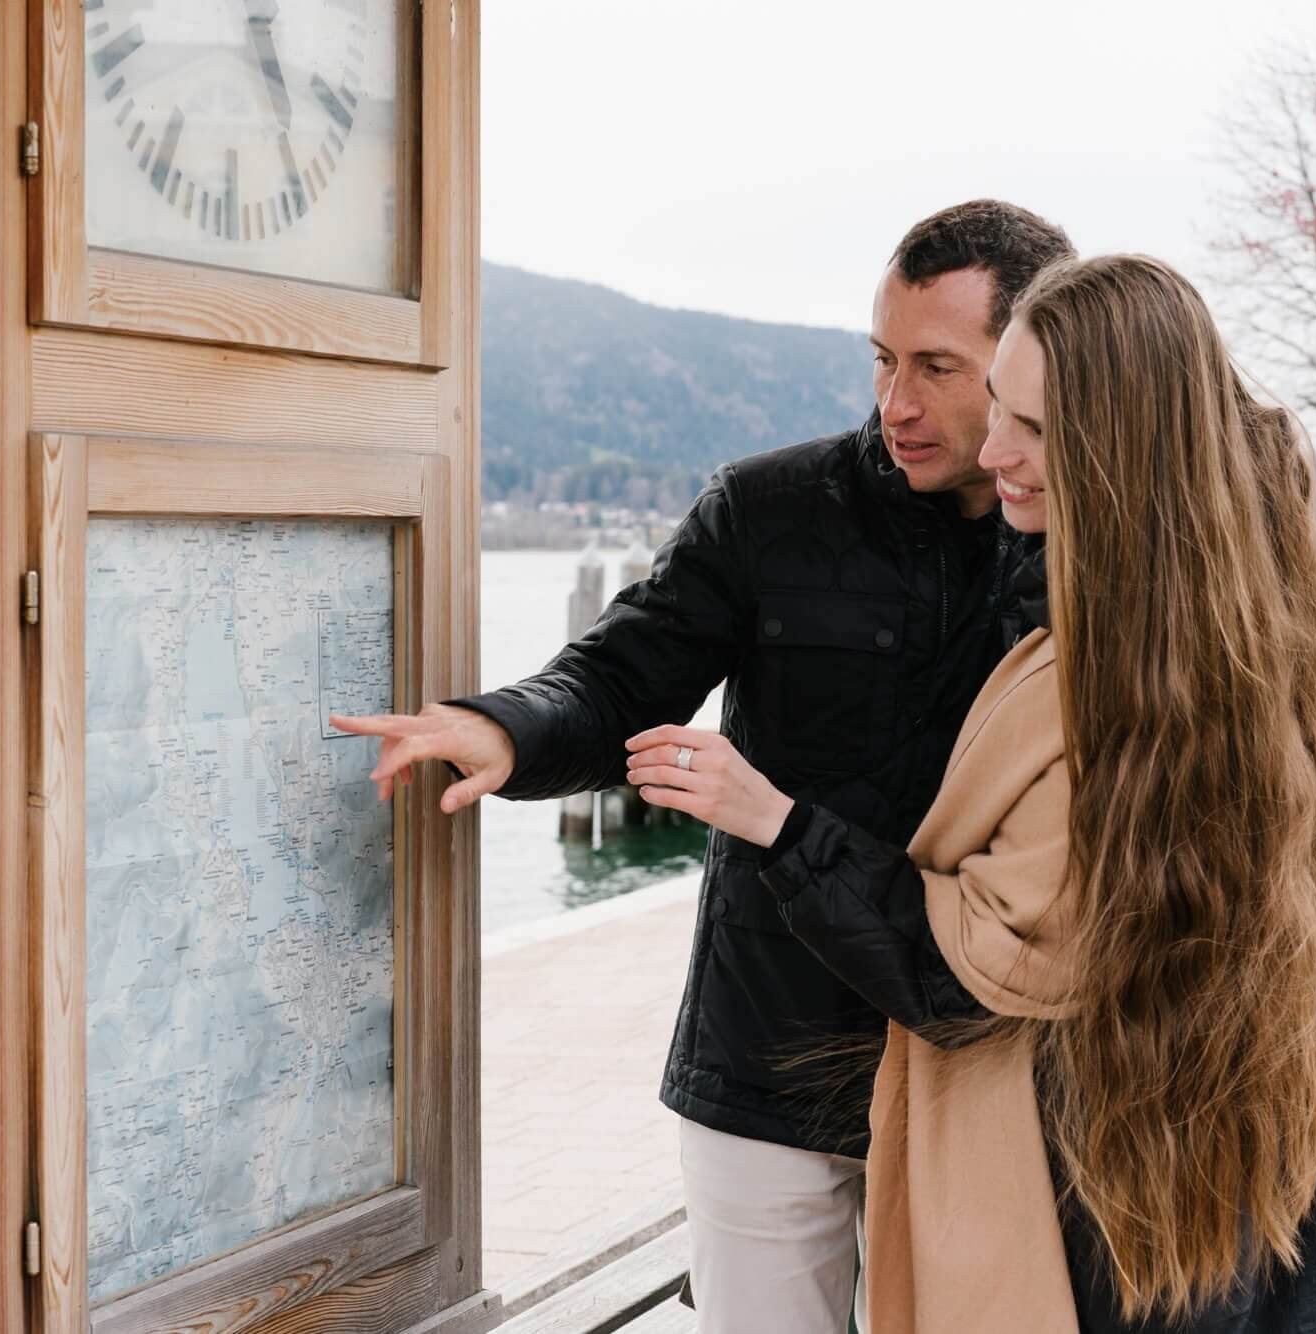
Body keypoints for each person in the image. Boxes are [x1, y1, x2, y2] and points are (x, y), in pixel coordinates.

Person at [333, 200, 1076, 1331]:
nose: (896, 404)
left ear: (1029, 364)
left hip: (977, 1064)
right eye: (880, 359)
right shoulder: (767, 508)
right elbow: (612, 679)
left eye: (936, 365)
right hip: (765, 1057)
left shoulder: (1083, 547)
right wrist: (503, 727)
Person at [628, 255, 1316, 1332]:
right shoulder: (1248, 618)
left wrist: (770, 820)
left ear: (1120, 446)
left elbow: (976, 966)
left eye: (1027, 424)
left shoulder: (1112, 689)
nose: (992, 453)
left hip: (1112, 1188)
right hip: (1241, 1151)